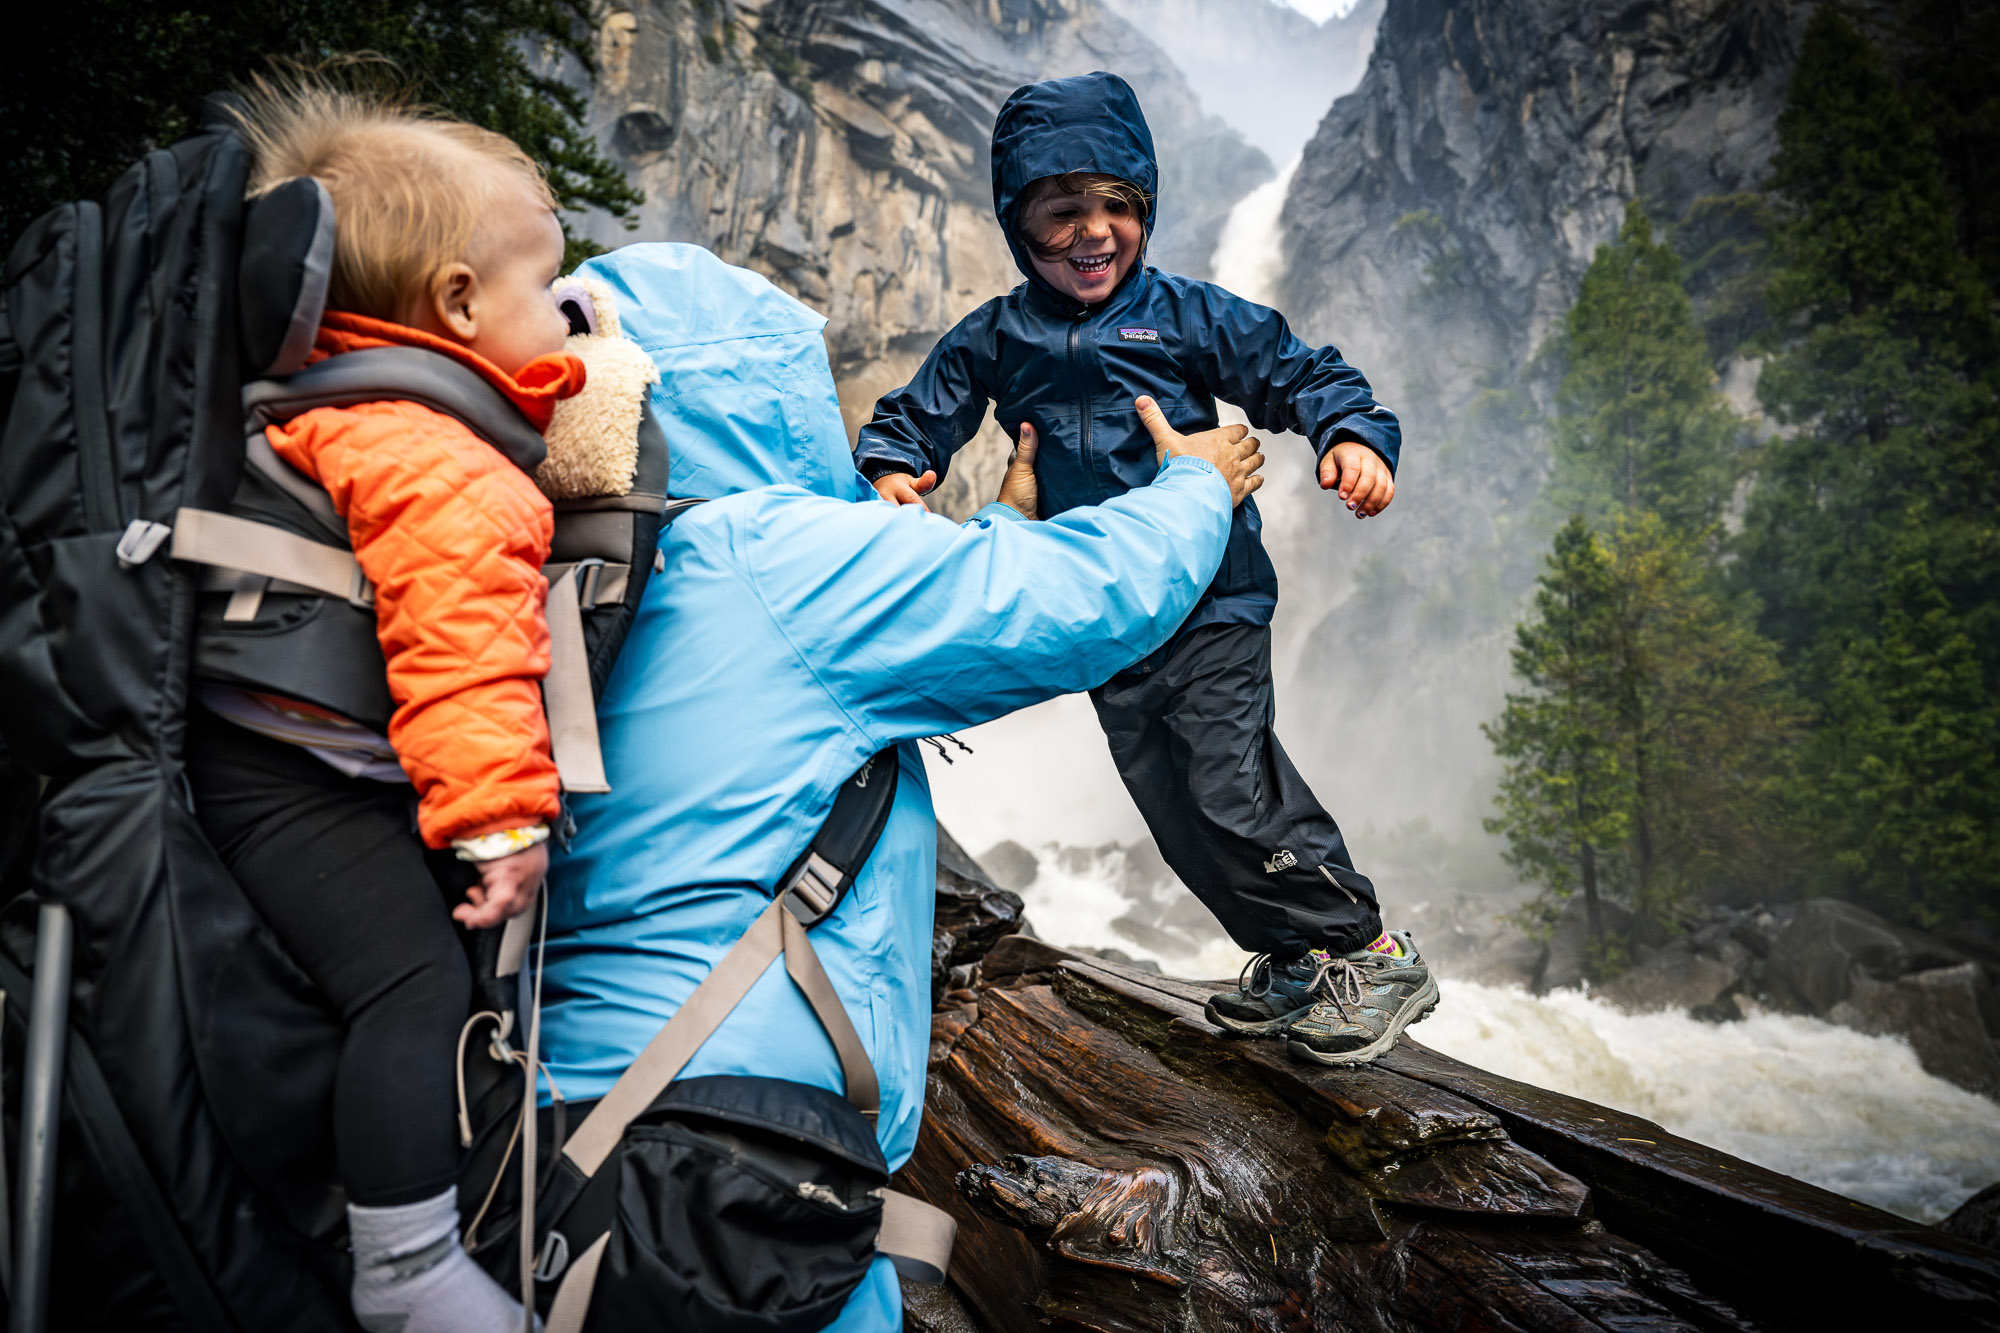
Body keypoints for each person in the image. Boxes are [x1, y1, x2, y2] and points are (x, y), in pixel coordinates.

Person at [537, 241, 1264, 1331]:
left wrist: (1000, 525)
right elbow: (1075, 601)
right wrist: (1196, 489)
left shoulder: (574, 564)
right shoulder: (764, 552)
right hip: (724, 1154)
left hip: (569, 1122)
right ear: (761, 393)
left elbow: (853, 646)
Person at [852, 71, 1437, 1065]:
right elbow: (921, 412)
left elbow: (1301, 371)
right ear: (1014, 219)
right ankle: (1294, 958)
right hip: (1103, 614)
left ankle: (1368, 950)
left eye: (1117, 206)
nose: (1093, 231)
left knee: (1227, 784)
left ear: (1146, 212)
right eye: (1062, 208)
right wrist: (890, 468)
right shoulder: (995, 336)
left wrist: (1350, 433)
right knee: (1173, 809)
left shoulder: (1185, 315)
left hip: (1209, 600)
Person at [182, 78, 581, 1333]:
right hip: (290, 777)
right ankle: (405, 1264)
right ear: (457, 304)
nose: (568, 314)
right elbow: (463, 642)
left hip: (266, 754)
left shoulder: (348, 406)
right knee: (411, 983)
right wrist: (503, 823)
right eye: (543, 288)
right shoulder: (438, 455)